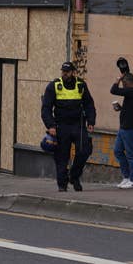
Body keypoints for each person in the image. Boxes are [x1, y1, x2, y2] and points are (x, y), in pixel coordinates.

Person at [41, 61, 96, 192]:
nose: (64, 74)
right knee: (61, 157)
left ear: (73, 72)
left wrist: (91, 122)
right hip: (61, 126)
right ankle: (62, 184)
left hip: (78, 125)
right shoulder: (54, 86)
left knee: (85, 150)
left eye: (67, 71)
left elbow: (89, 105)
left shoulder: (81, 85)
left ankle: (74, 176)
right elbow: (46, 108)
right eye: (63, 71)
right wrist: (51, 126)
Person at [111, 72, 133, 189]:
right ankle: (127, 177)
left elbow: (113, 90)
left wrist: (117, 80)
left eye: (123, 83)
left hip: (130, 128)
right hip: (124, 127)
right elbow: (131, 109)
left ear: (126, 82)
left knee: (130, 154)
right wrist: (121, 108)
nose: (122, 86)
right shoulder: (132, 94)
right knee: (117, 151)